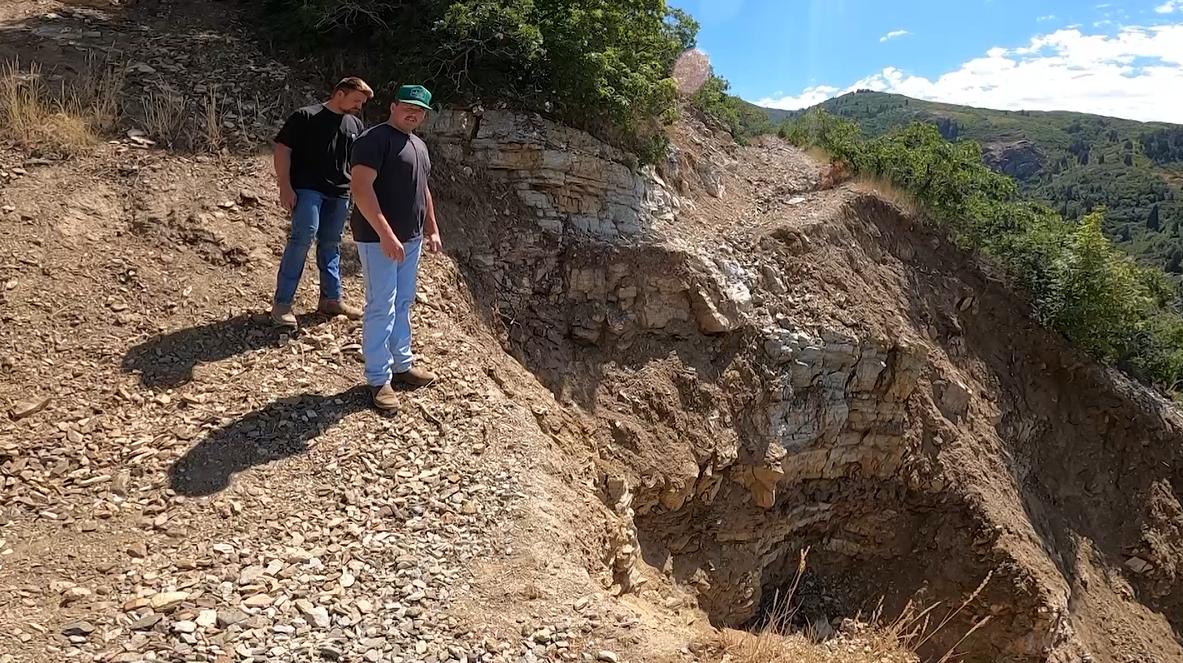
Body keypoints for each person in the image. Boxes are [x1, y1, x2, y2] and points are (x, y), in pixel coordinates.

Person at [349, 84, 443, 410]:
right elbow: (360, 188)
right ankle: (378, 379)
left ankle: (401, 365)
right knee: (381, 305)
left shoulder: (418, 145)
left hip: (412, 239)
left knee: (403, 301)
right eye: (407, 106)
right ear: (392, 106)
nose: (412, 113)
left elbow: (423, 190)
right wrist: (386, 234)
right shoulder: (374, 139)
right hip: (378, 239)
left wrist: (431, 229)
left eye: (419, 110)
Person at [270, 76, 373, 327]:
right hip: (307, 189)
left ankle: (331, 299)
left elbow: (356, 162)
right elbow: (282, 149)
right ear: (340, 94)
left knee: (331, 244)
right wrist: (285, 185)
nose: (359, 106)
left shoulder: (354, 124)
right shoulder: (305, 116)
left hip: (339, 194)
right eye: (356, 100)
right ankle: (282, 305)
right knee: (302, 238)